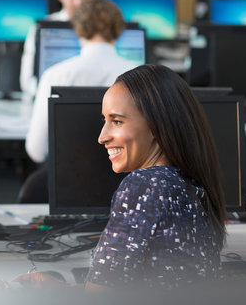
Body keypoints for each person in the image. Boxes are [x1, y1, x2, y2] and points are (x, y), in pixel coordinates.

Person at [16, 64, 227, 290]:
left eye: (117, 121)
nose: (102, 136)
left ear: (157, 126)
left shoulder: (145, 186)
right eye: (104, 120)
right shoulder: (190, 182)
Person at [25, 0, 137, 164]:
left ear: (78, 29)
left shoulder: (55, 75)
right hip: (129, 180)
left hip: (68, 182)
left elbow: (36, 150)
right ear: (119, 29)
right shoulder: (140, 74)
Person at [20, 0, 95, 97]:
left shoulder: (104, 28)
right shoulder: (41, 28)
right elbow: (27, 81)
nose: (79, 2)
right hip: (51, 98)